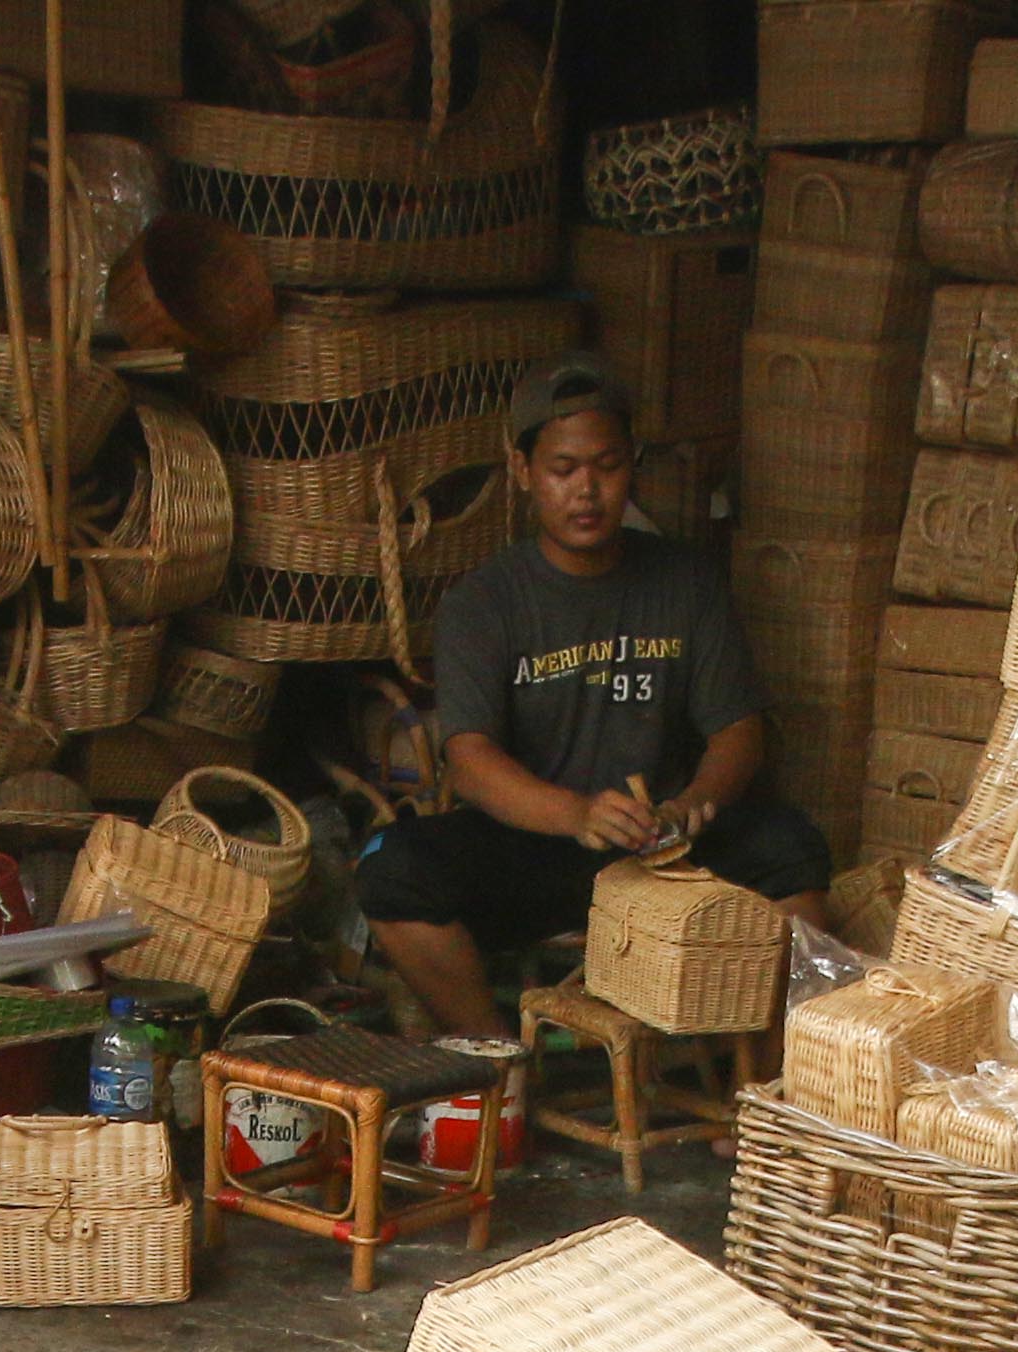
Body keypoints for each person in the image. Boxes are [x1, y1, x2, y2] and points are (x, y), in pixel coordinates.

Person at [355, 356, 831, 1042]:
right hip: (539, 849)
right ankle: (499, 1061)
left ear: (630, 465)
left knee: (791, 849)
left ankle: (781, 1072)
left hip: (667, 852)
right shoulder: (484, 602)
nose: (587, 490)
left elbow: (738, 730)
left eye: (607, 466)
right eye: (563, 469)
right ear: (521, 470)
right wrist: (576, 814)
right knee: (390, 867)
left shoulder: (685, 583)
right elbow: (470, 760)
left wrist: (693, 802)